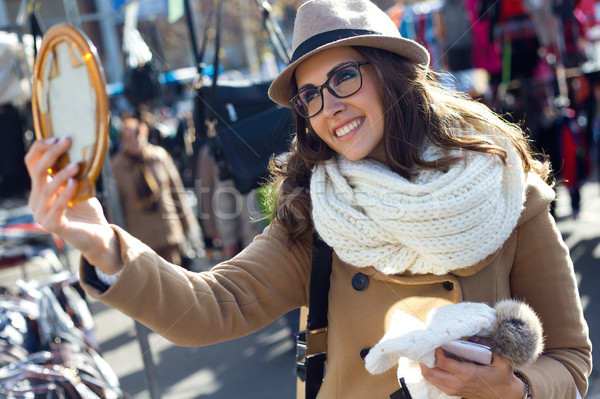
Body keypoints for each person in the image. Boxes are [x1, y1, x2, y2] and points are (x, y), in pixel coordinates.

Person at [25, 0, 591, 398]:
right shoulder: (316, 213)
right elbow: (211, 308)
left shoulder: (505, 191)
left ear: (392, 73)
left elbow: (570, 360)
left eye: (345, 77)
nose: (330, 107)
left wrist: (514, 390)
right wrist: (104, 246)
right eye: (310, 97)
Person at [110, 116, 199, 266]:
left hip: (169, 233)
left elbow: (177, 192)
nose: (135, 141)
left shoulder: (159, 156)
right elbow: (117, 208)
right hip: (142, 241)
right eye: (129, 138)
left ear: (145, 134)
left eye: (138, 135)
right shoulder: (117, 167)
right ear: (123, 141)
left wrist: (188, 227)